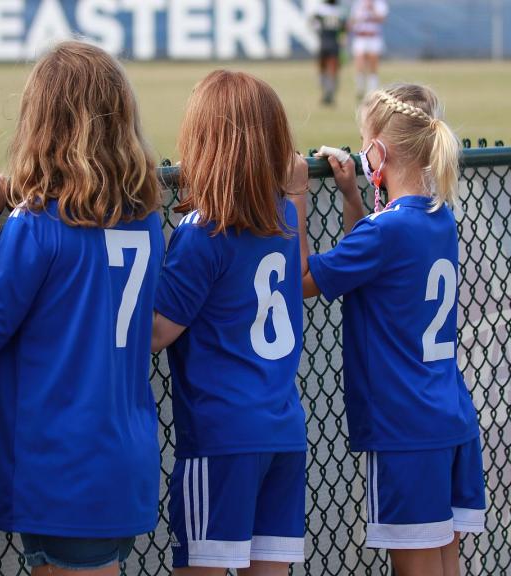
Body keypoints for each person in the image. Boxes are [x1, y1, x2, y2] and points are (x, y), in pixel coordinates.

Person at [0, 41, 163, 576]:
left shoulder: (38, 224)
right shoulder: (145, 218)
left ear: (42, 120)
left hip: (66, 466)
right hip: (124, 456)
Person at [292, 83, 486, 575]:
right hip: (449, 418)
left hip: (406, 431)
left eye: (364, 144)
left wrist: (297, 197)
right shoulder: (439, 219)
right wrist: (353, 196)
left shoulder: (386, 232)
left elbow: (300, 280)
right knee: (445, 563)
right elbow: (371, 260)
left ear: (377, 151)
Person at [151, 70, 309, 576]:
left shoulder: (203, 231)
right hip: (283, 430)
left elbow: (158, 331)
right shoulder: (282, 215)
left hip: (223, 440)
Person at [348, 0, 388, 100]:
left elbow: (382, 19)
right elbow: (352, 21)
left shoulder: (380, 3)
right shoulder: (358, 4)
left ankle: (372, 91)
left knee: (373, 65)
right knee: (359, 63)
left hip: (373, 37)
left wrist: (372, 8)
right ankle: (360, 88)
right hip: (360, 37)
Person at [309, 0, 347, 105]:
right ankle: (327, 92)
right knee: (327, 68)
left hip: (327, 41)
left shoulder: (322, 9)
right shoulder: (338, 10)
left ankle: (328, 93)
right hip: (330, 41)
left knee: (328, 67)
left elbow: (312, 23)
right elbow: (344, 28)